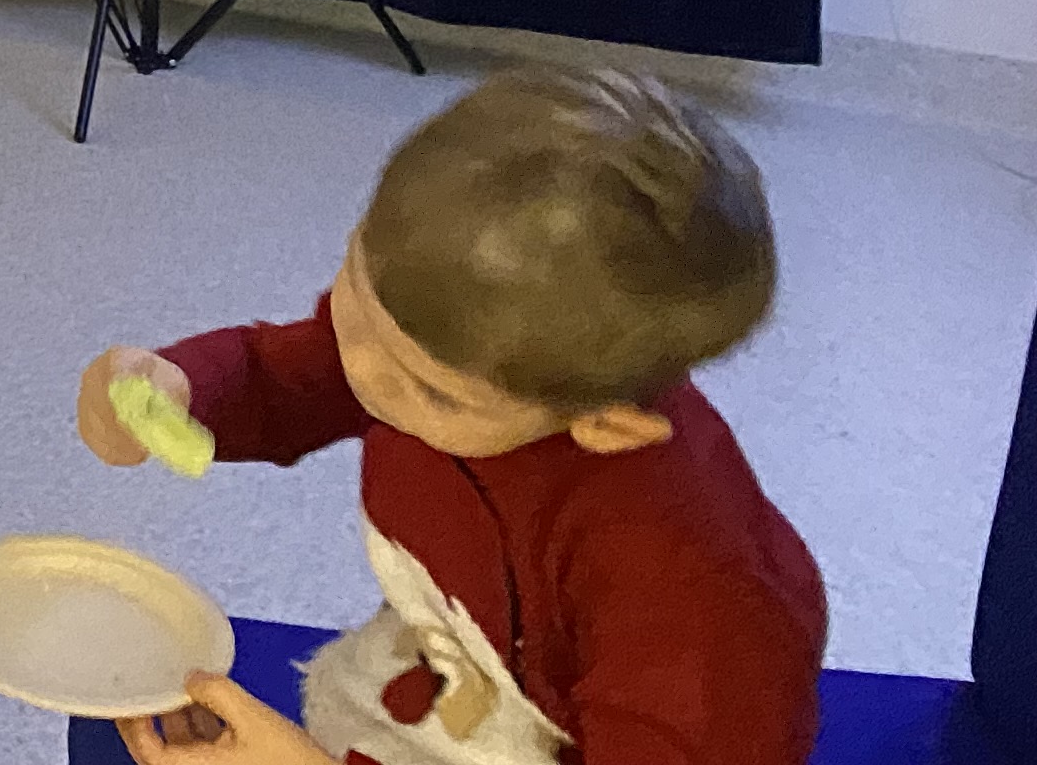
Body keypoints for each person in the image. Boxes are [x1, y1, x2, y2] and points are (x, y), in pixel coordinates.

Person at [76, 66, 820, 765]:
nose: (362, 372)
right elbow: (292, 374)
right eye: (356, 297)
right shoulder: (432, 346)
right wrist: (178, 386)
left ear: (607, 425)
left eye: (430, 392)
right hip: (453, 674)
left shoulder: (701, 616)